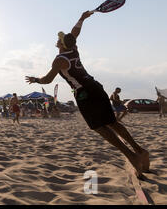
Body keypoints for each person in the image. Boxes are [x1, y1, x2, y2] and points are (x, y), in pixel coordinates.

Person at [25, 10, 149, 177]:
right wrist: (81, 19)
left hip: (84, 94)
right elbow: (74, 34)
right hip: (96, 87)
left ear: (61, 44)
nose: (57, 39)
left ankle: (132, 157)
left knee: (99, 127)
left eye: (59, 38)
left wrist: (35, 79)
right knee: (113, 123)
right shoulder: (73, 49)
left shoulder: (59, 59)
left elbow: (47, 79)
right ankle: (140, 151)